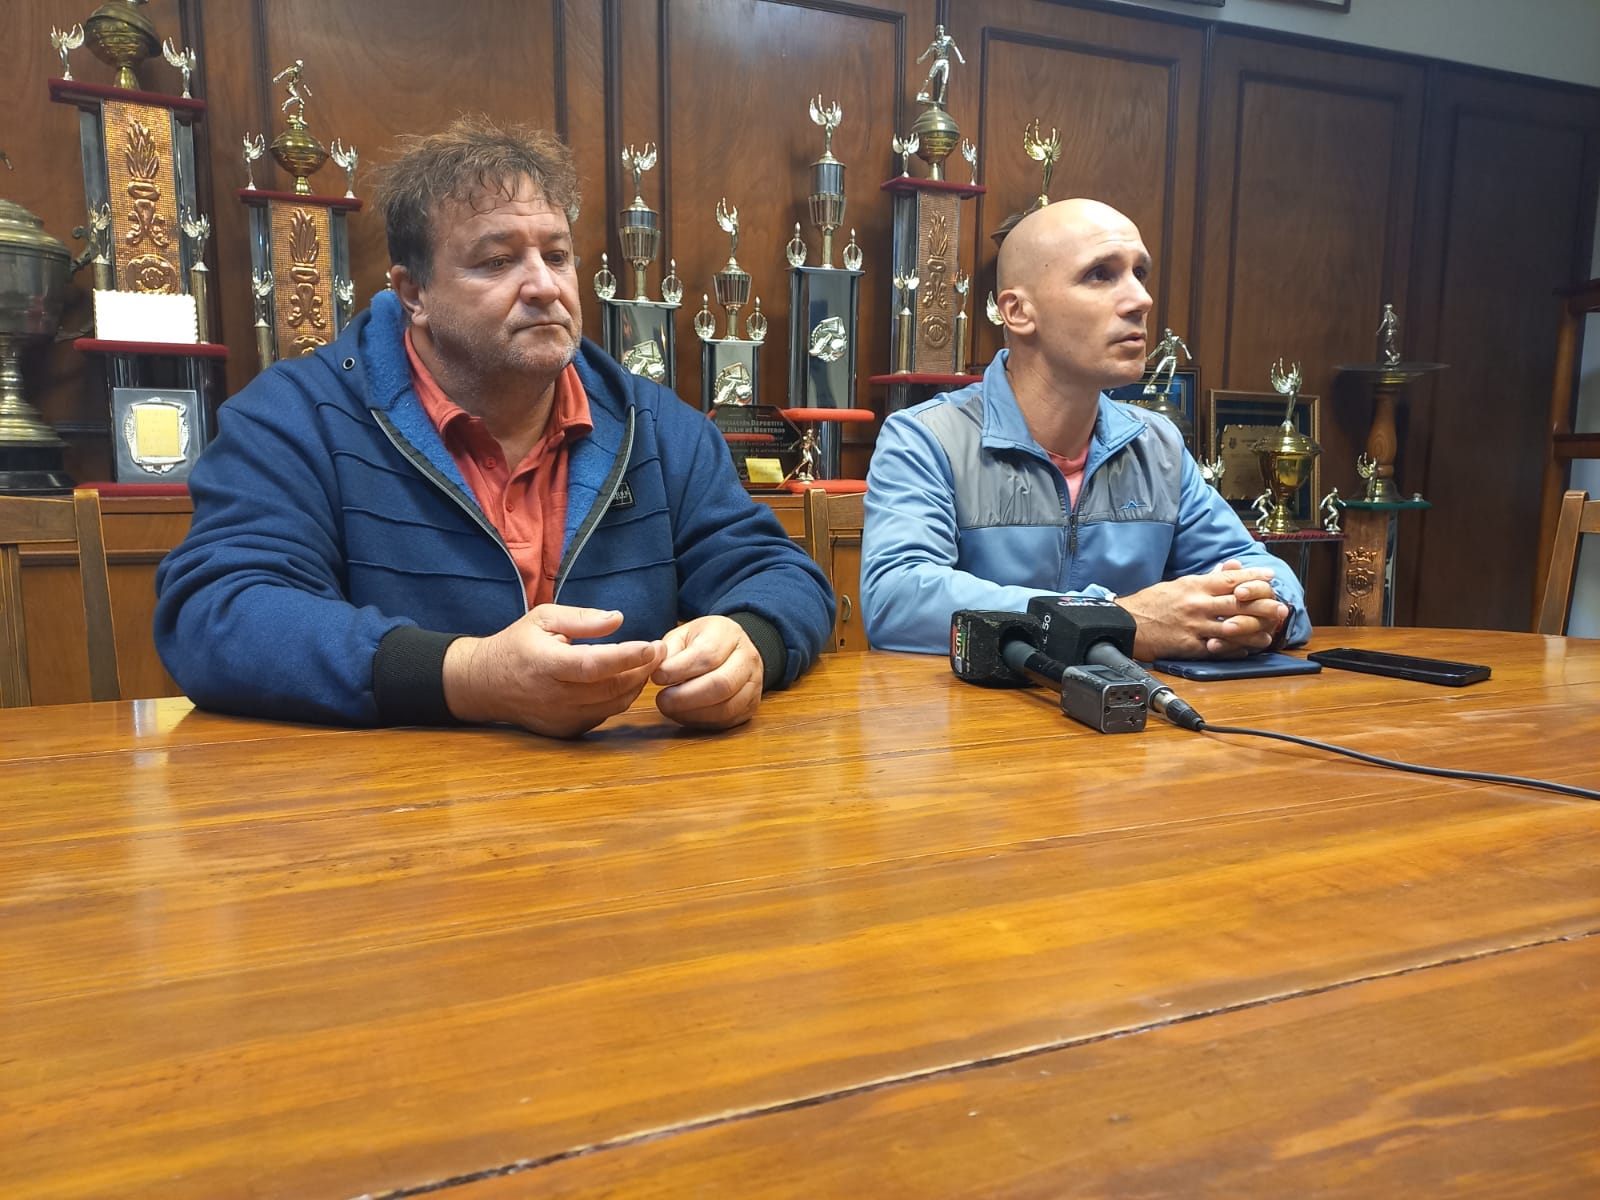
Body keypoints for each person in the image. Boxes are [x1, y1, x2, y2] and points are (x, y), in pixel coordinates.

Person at [155, 115, 833, 737]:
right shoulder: (295, 417)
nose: (544, 286)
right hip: (392, 809)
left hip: (620, 805)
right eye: (497, 261)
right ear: (413, 292)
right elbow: (215, 613)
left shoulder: (657, 426)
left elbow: (782, 575)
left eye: (557, 256)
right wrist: (470, 676)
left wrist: (749, 643)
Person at [861, 197, 1310, 660]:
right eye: (1100, 274)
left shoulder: (1157, 445)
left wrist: (1264, 615)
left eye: (1140, 273)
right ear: (1018, 311)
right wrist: (1113, 622)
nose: (1141, 299)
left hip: (1137, 705)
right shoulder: (927, 439)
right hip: (978, 707)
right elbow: (897, 599)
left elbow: (1265, 575)